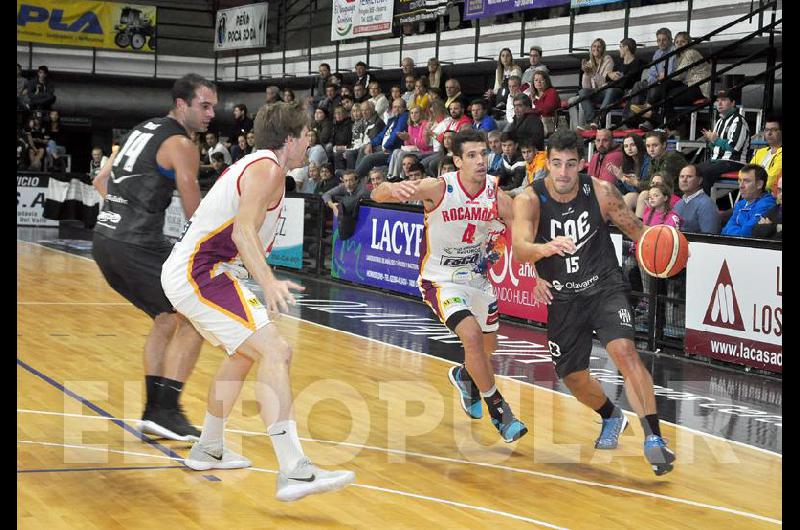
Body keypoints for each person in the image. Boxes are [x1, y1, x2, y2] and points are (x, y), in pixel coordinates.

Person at [159, 101, 355, 500]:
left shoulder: (265, 168)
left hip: (205, 271)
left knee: (244, 353)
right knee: (276, 351)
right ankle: (295, 470)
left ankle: (209, 448)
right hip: (200, 271)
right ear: (290, 139)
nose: (309, 141)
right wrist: (268, 282)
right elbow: (242, 233)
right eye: (306, 135)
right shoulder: (266, 169)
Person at [511, 129, 676, 476]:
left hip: (603, 286)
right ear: (547, 162)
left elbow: (637, 231)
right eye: (556, 164)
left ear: (582, 164)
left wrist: (667, 247)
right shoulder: (529, 198)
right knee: (572, 377)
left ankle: (654, 438)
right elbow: (520, 247)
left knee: (625, 352)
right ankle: (611, 417)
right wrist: (544, 250)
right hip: (562, 295)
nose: (563, 172)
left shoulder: (601, 192)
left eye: (571, 164)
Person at [371, 129, 529, 443]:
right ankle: (500, 411)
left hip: (477, 278)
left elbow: (517, 235)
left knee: (486, 351)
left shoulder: (497, 195)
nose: (480, 161)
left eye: (483, 154)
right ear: (457, 160)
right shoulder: (438, 187)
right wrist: (393, 188)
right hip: (440, 279)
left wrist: (532, 265)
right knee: (470, 336)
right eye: (471, 155)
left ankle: (464, 377)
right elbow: (378, 194)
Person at [91, 73, 216, 442]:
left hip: (105, 239)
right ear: (182, 105)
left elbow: (101, 183)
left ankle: (153, 413)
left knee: (166, 318)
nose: (211, 114)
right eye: (204, 106)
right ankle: (166, 410)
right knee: (198, 313)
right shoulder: (182, 143)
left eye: (213, 107)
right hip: (136, 242)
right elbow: (196, 213)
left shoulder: (141, 129)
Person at [696, 89, 750, 196]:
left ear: (733, 103)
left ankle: (703, 206)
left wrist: (716, 140)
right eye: (717, 100)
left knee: (706, 172)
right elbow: (715, 147)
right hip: (717, 160)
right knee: (692, 171)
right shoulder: (720, 121)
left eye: (724, 100)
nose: (719, 103)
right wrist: (711, 140)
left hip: (734, 162)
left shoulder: (739, 121)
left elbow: (734, 147)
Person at [721, 164, 777, 237]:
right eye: (740, 180)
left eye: (746, 181)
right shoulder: (740, 204)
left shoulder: (767, 204)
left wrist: (735, 230)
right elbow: (724, 231)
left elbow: (746, 233)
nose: (741, 186)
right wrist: (739, 230)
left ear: (759, 184)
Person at [572, 38, 616, 129]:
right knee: (582, 92)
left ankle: (599, 120)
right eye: (594, 46)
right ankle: (592, 121)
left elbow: (603, 81)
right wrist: (586, 73)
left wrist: (592, 73)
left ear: (603, 49)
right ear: (591, 48)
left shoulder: (608, 60)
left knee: (609, 90)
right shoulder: (589, 63)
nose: (596, 48)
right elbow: (586, 88)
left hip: (605, 91)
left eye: (599, 46)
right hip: (595, 93)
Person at [673, 164, 721, 234]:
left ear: (700, 180)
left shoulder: (707, 205)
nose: (684, 180)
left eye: (689, 176)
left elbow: (709, 238)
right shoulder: (678, 204)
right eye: (681, 176)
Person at [749, 116, 782, 195]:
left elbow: (771, 180)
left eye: (773, 130)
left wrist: (750, 184)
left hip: (772, 197)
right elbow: (746, 172)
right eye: (767, 130)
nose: (769, 133)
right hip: (754, 193)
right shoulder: (760, 152)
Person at [750, 175, 781, 240]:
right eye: (779, 190)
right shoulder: (776, 209)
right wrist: (775, 228)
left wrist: (769, 228)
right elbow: (755, 230)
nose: (781, 194)